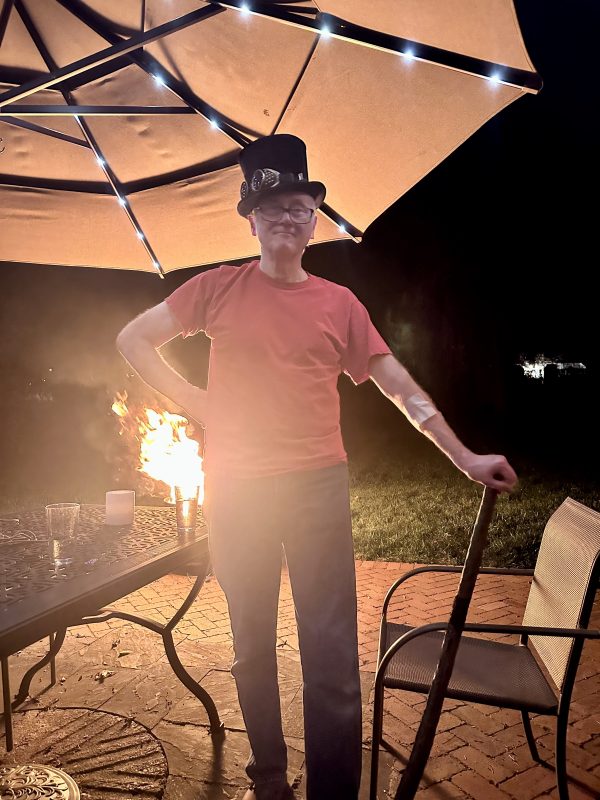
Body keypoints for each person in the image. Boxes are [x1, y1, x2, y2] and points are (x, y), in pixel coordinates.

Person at [116, 134, 517, 800]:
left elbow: (401, 389)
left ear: (314, 220)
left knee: (330, 655)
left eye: (302, 205)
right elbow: (133, 339)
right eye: (274, 204)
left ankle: (333, 792)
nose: (289, 215)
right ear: (250, 214)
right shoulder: (216, 289)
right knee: (250, 646)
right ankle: (269, 778)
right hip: (239, 492)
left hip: (315, 490)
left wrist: (465, 456)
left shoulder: (339, 304)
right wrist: (199, 404)